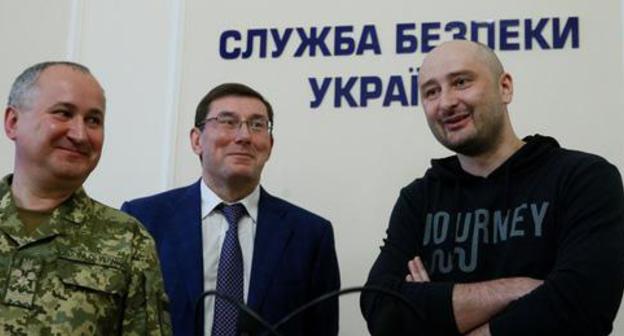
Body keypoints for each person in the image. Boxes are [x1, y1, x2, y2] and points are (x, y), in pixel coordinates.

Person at [360, 40, 624, 336]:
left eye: (461, 82)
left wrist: (436, 309)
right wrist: (515, 289)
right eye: (431, 92)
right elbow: (381, 310)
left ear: (505, 88)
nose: (446, 102)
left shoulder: (583, 179)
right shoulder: (418, 199)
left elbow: (582, 309)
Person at [121, 83, 340, 336]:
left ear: (269, 144)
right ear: (196, 140)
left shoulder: (310, 235)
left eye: (257, 125)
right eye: (227, 122)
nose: (244, 136)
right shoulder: (143, 220)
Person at [0, 61, 171, 335]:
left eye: (93, 120)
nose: (80, 134)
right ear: (13, 122)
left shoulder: (129, 241)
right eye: (63, 113)